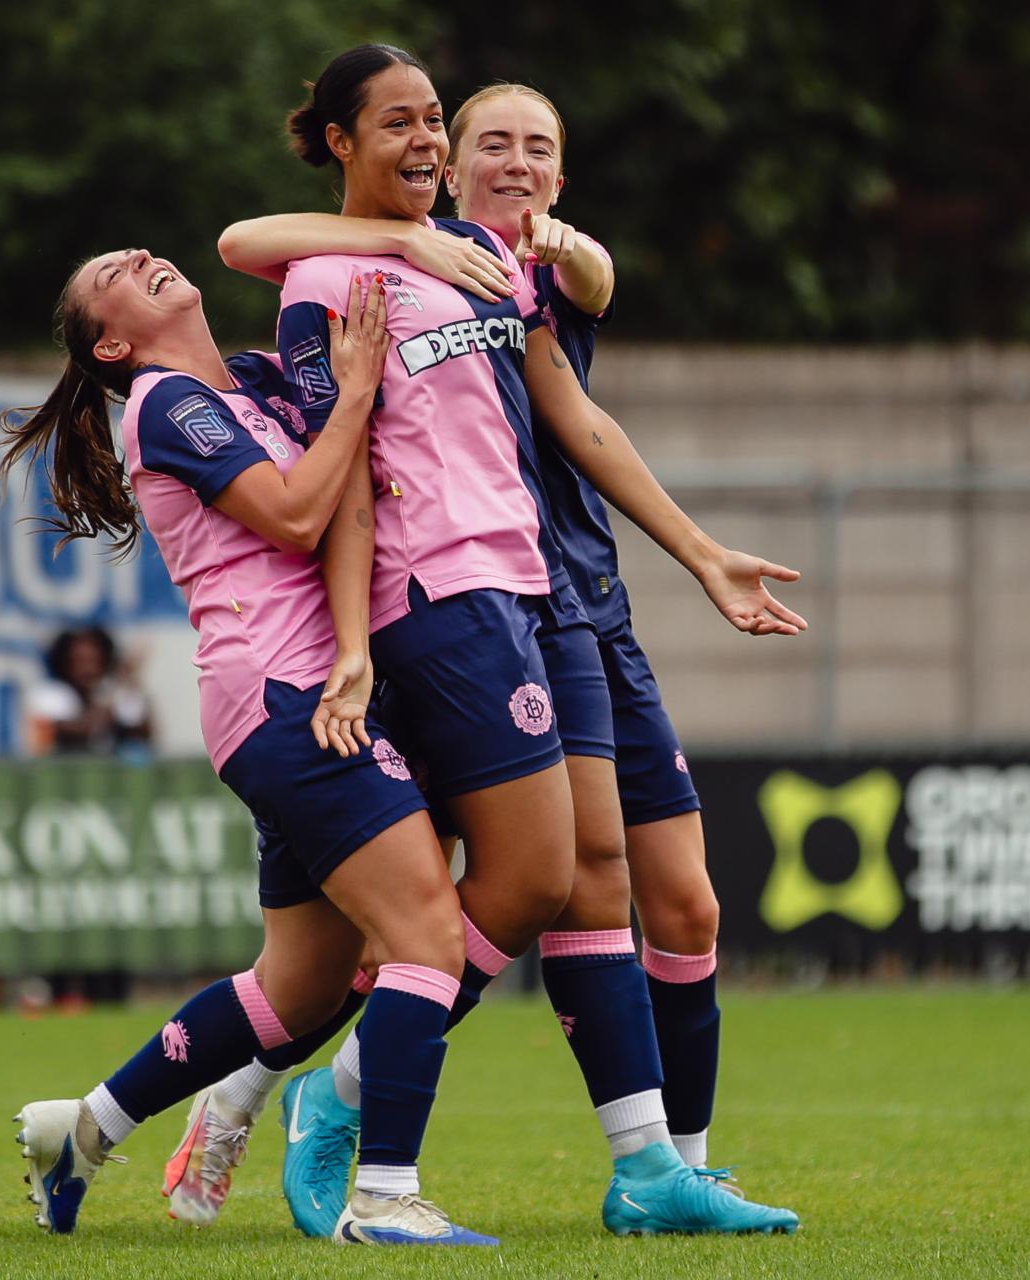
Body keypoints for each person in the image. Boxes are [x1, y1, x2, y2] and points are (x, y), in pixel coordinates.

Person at [187, 46, 799, 1240]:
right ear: (438, 162)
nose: (488, 156)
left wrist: (700, 549)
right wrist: (353, 639)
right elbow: (255, 269)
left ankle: (654, 1163)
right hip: (451, 606)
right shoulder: (362, 268)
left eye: (539, 145)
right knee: (498, 895)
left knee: (628, 887)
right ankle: (330, 1113)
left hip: (550, 598)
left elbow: (577, 388)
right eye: (452, 135)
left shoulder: (508, 276)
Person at [0, 251, 495, 1246]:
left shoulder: (247, 380)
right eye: (117, 273)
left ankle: (85, 1127)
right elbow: (303, 511)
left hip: (287, 701)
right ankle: (386, 1194)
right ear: (114, 343)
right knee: (430, 933)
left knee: (303, 985)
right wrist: (355, 391)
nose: (143, 256)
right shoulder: (165, 401)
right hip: (292, 698)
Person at [26, 625, 154, 757]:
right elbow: (75, 731)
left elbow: (143, 733)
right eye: (79, 661)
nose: (87, 670)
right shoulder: (49, 694)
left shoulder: (108, 693)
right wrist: (120, 682)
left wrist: (131, 681)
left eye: (93, 661)